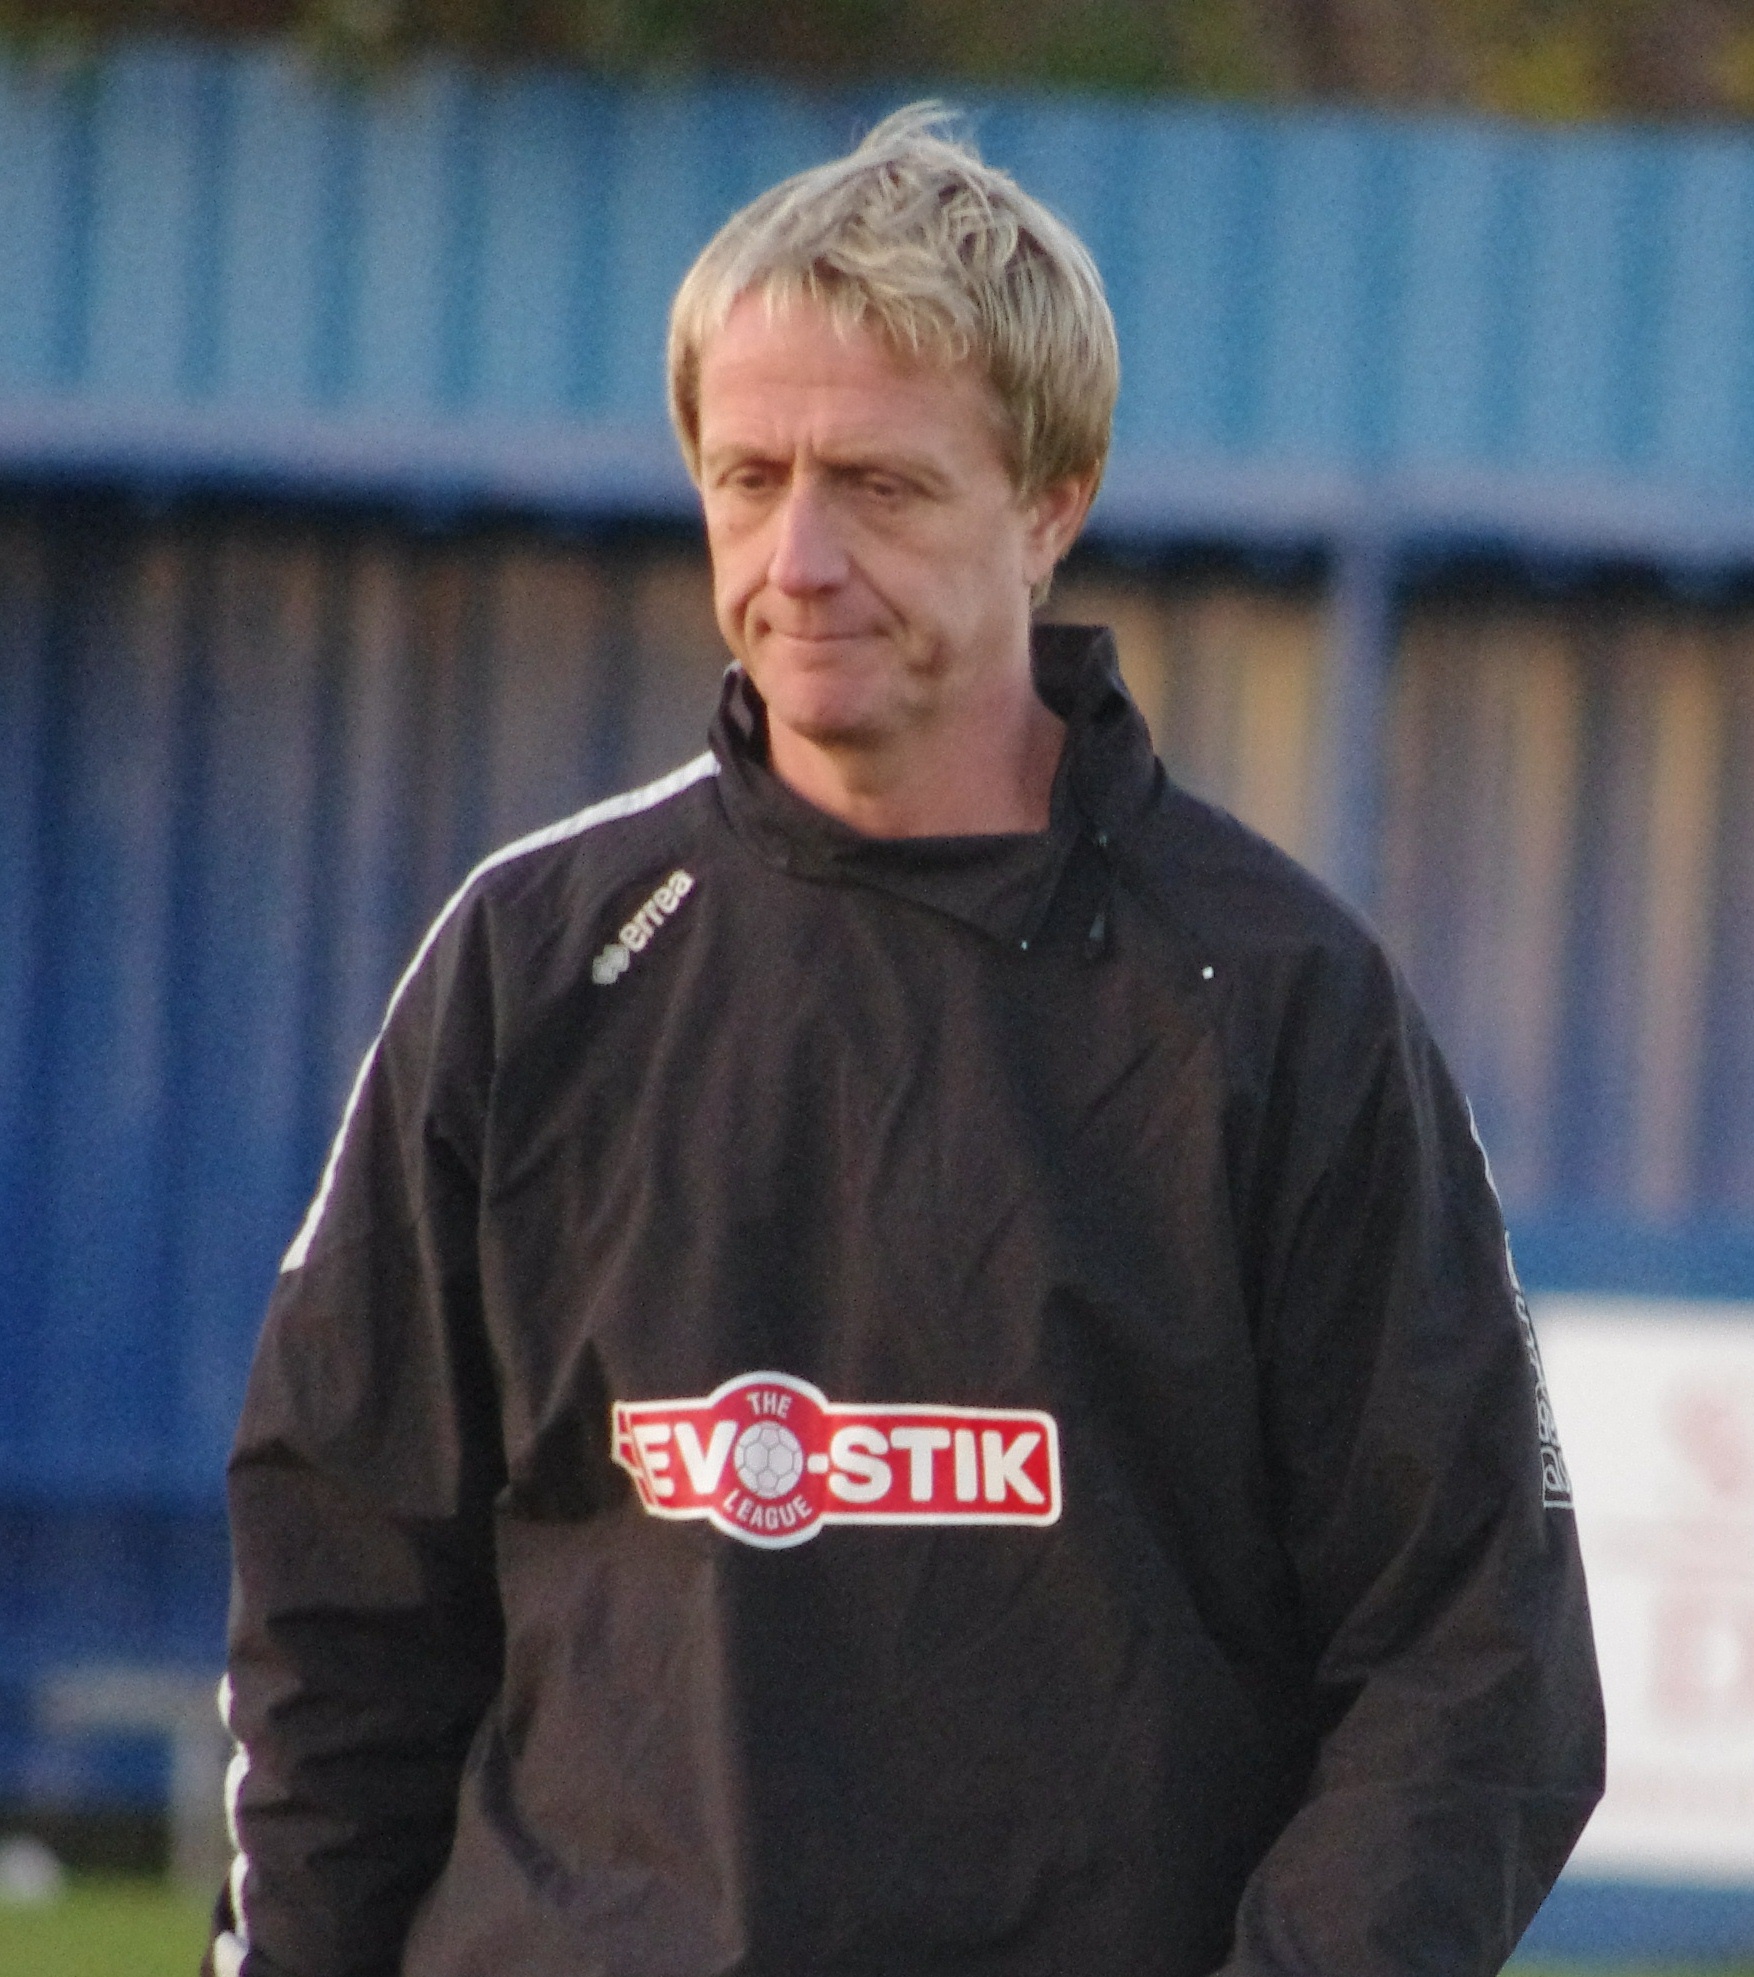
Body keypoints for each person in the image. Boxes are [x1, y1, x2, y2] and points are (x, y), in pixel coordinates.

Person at [207, 103, 1602, 1977]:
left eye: (878, 484)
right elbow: (338, 1613)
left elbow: (1476, 1653)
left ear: (1053, 496)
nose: (796, 556)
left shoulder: (1275, 1001)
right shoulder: (533, 966)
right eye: (746, 474)